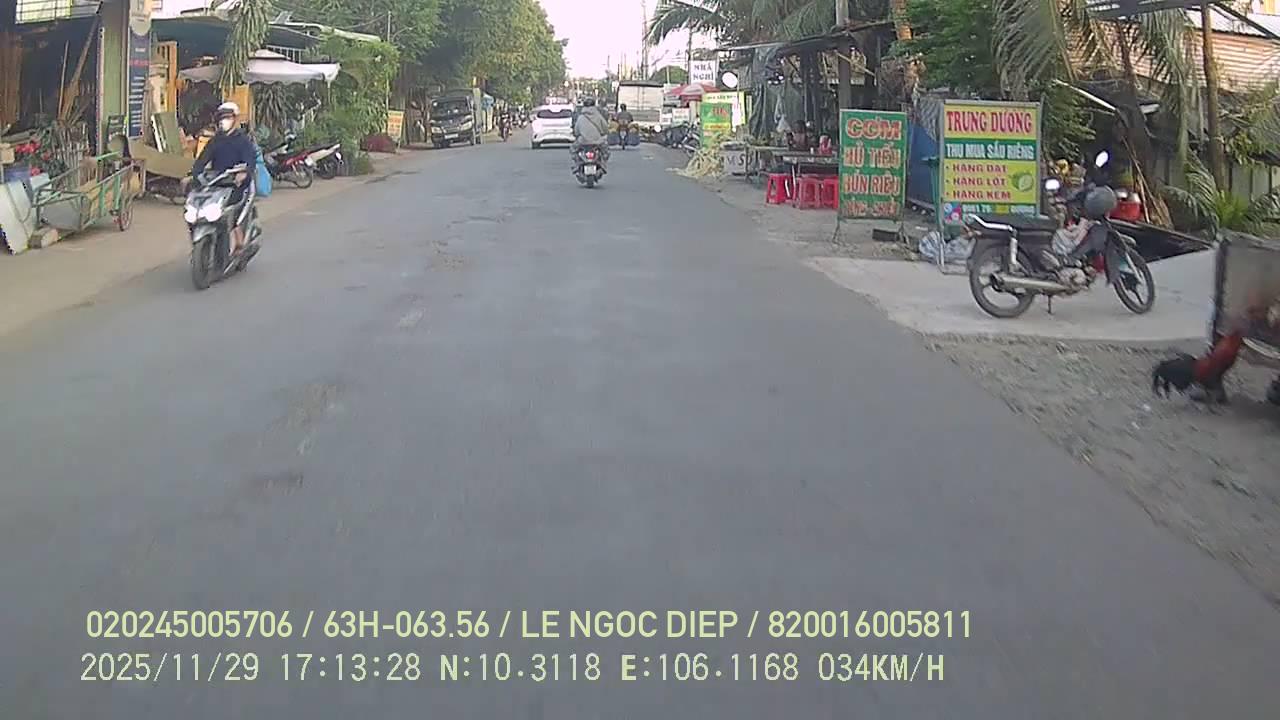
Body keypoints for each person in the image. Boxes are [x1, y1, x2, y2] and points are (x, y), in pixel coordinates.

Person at [190, 101, 257, 256]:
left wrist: (244, 172)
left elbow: (250, 160)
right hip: (217, 183)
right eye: (221, 118)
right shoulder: (215, 140)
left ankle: (238, 240)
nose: (224, 121)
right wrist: (193, 175)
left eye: (227, 117)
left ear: (235, 119)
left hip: (237, 185)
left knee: (230, 209)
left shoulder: (243, 140)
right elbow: (201, 161)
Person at [572, 97, 610, 169]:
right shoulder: (598, 116)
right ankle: (603, 165)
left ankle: (577, 165)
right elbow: (605, 128)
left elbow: (576, 131)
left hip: (583, 141)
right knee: (606, 151)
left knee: (573, 150)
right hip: (598, 141)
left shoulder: (581, 117)